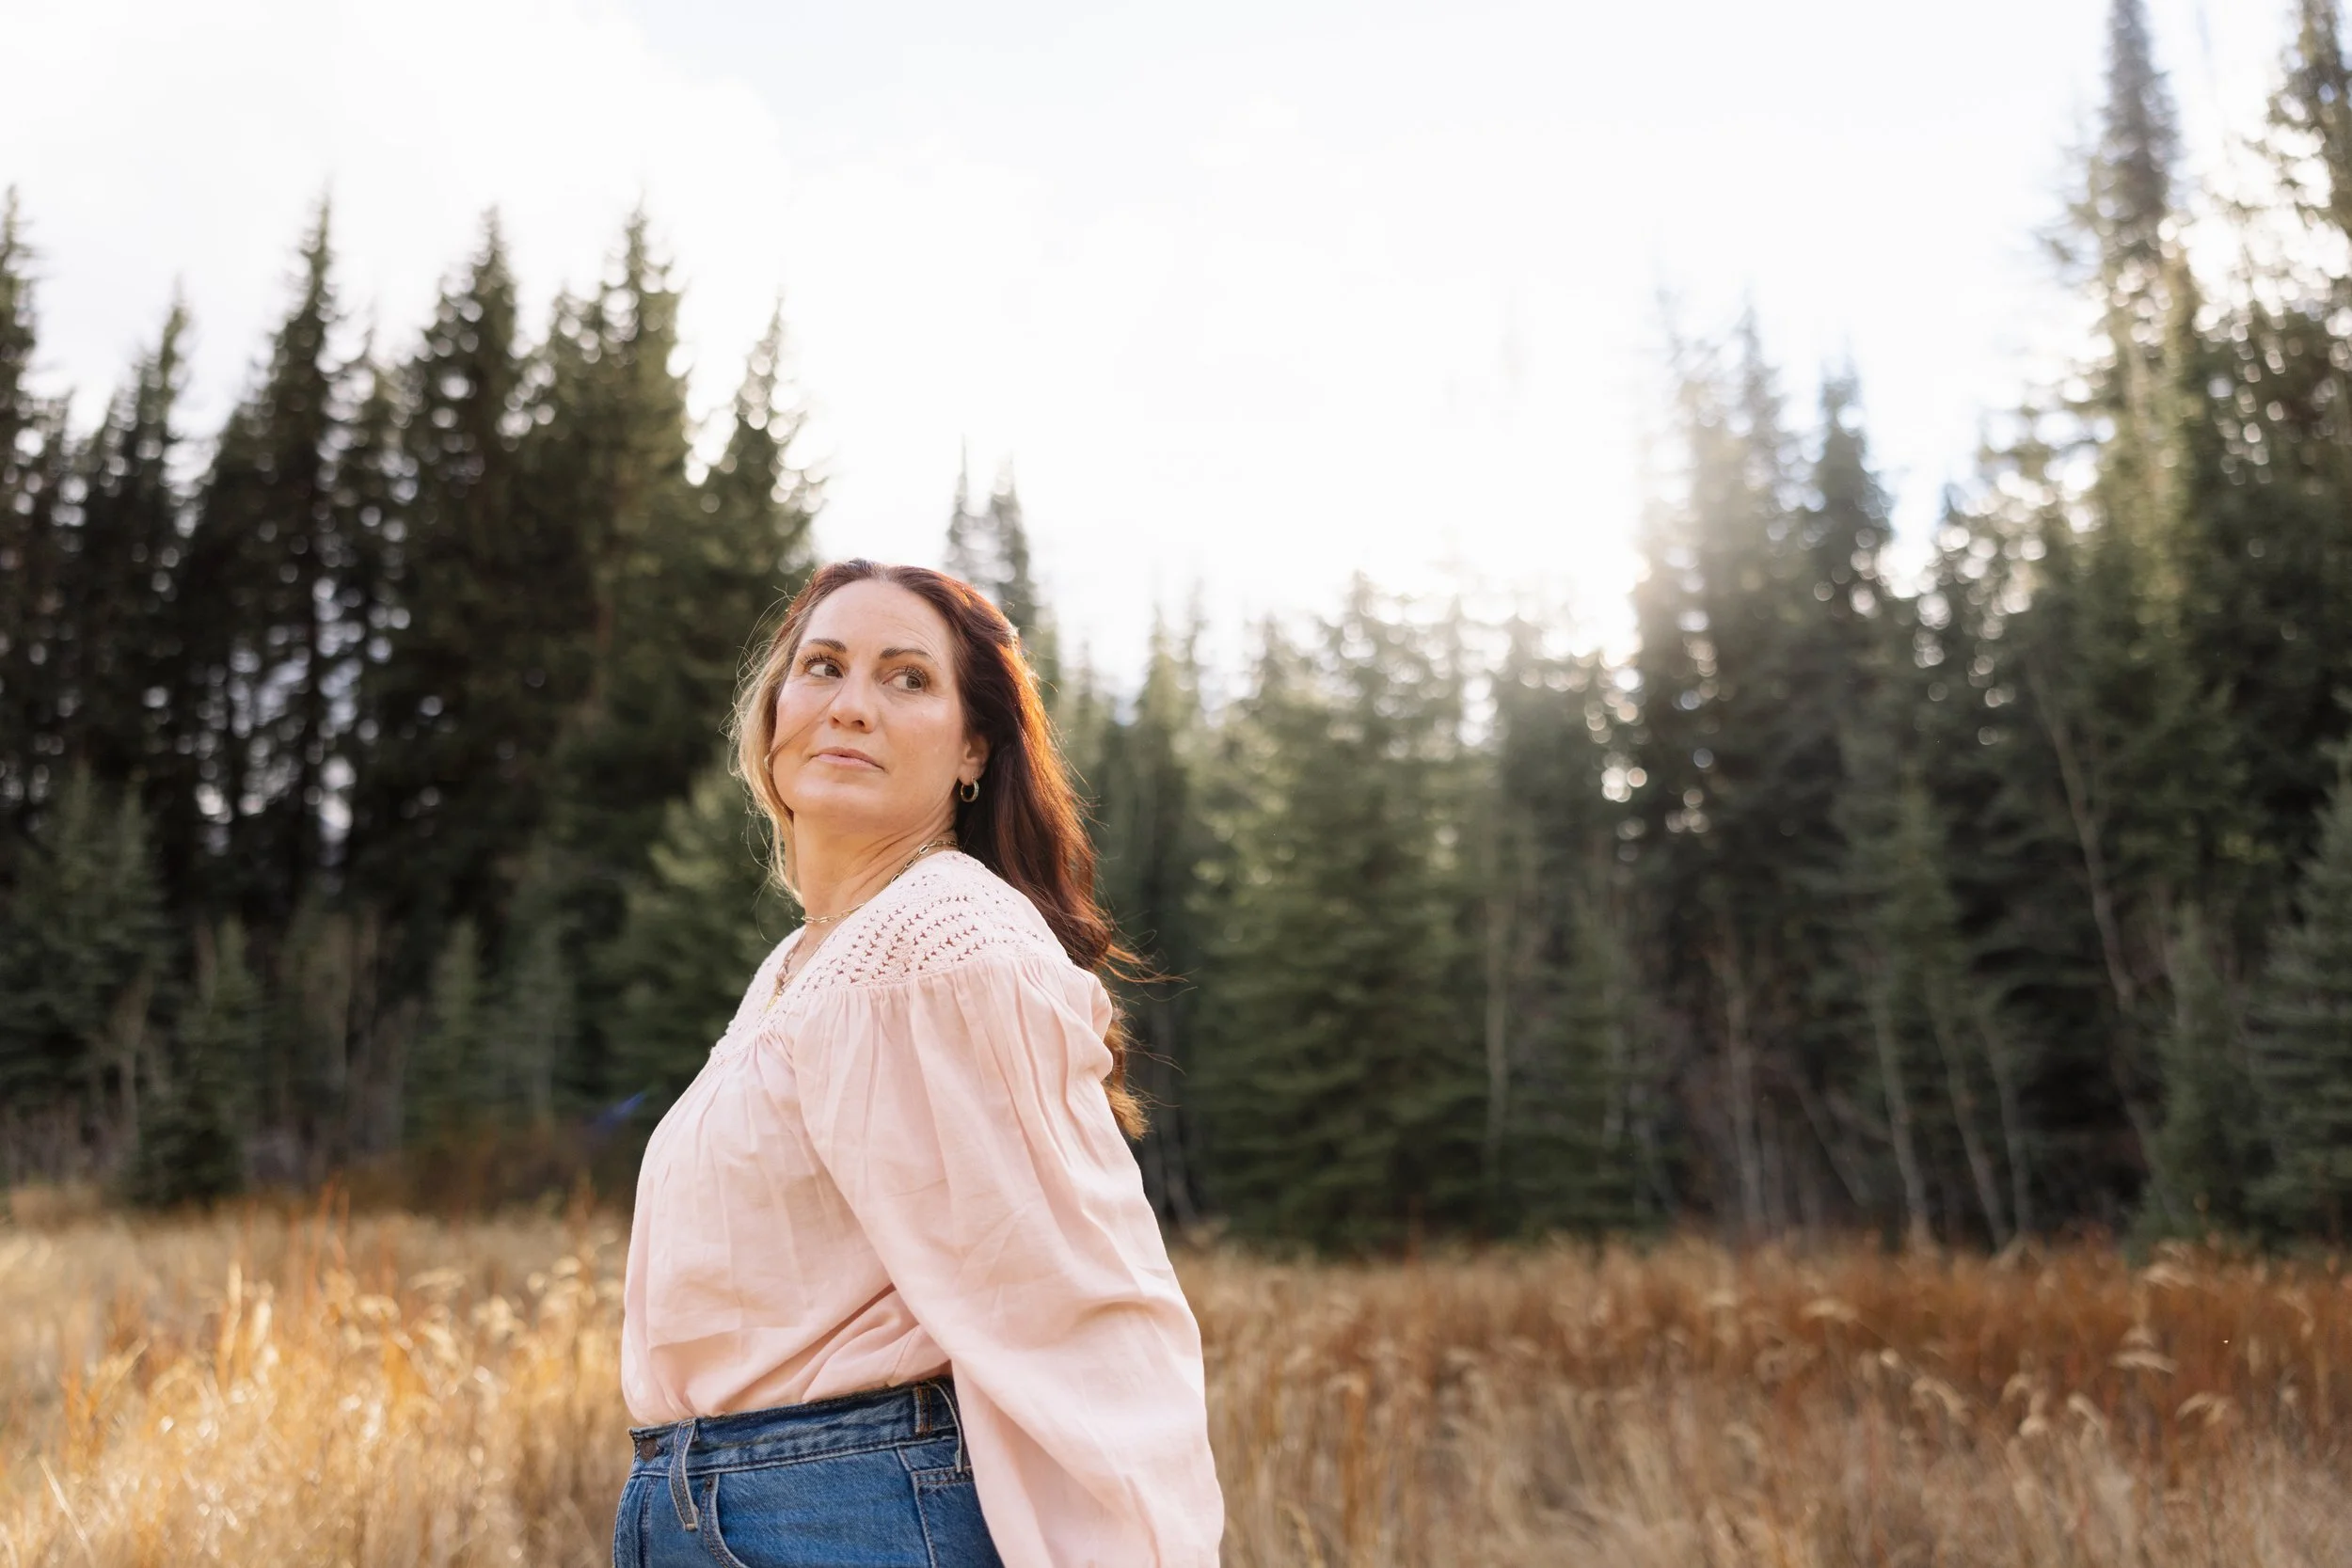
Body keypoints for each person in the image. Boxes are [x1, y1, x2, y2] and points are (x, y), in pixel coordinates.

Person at [612, 561, 1224, 1567]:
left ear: (972, 747)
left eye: (906, 678)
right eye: (822, 666)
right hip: (716, 1504)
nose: (852, 705)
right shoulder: (806, 958)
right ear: (771, 714)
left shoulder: (943, 937)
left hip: (846, 1513)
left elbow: (1075, 1304)